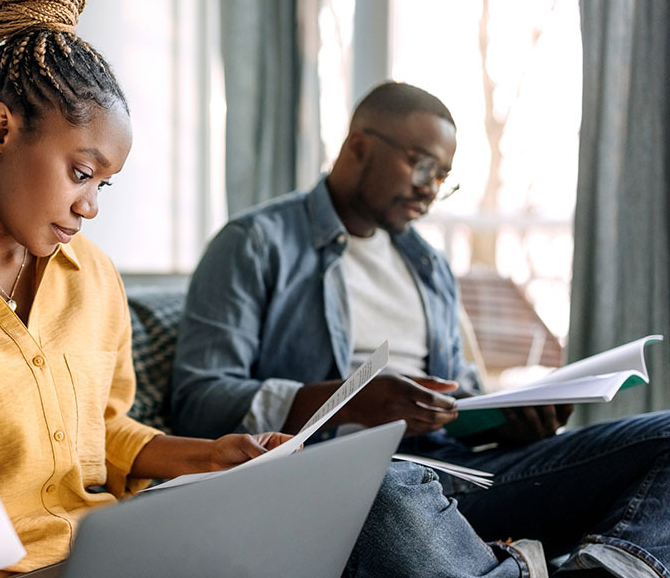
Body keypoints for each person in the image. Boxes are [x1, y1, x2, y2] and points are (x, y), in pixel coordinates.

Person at [0, 0, 543, 577]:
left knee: (378, 485)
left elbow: (103, 435)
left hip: (118, 548)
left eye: (104, 184)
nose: (91, 206)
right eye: (80, 173)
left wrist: (219, 457)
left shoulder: (89, 280)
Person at [171, 80, 670, 578]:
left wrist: (508, 417)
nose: (431, 188)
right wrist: (354, 400)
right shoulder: (255, 244)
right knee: (383, 488)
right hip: (353, 479)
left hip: (460, 473)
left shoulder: (428, 265)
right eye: (423, 165)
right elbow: (198, 399)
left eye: (443, 177)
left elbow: (458, 392)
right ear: (358, 146)